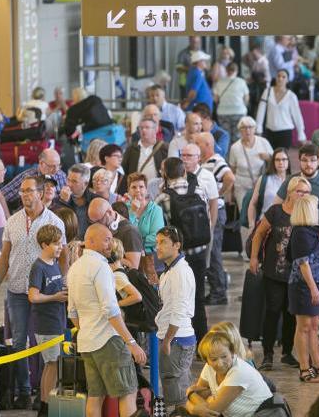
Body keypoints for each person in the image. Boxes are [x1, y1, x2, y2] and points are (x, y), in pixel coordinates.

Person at [0, 175, 66, 409]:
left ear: (41, 192)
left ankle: (44, 393)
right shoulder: (12, 221)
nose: (26, 195)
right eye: (22, 192)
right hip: (17, 289)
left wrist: (62, 283)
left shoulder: (55, 221)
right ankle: (24, 391)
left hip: (46, 292)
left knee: (45, 342)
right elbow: (4, 255)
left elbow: (63, 255)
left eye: (30, 191)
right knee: (18, 341)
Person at [67, 223, 147, 417]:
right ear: (90, 241)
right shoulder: (101, 267)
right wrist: (132, 343)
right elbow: (111, 310)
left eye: (111, 238)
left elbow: (72, 312)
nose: (110, 243)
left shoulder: (75, 268)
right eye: (106, 239)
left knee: (95, 396)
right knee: (127, 392)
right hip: (108, 340)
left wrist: (87, 329)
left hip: (87, 343)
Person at [250, 176, 311, 370]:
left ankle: (287, 352)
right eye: (299, 191)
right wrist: (254, 257)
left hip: (297, 274)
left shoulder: (308, 214)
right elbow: (259, 234)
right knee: (272, 311)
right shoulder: (275, 212)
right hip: (273, 272)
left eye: (306, 192)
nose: (303, 195)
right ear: (290, 193)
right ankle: (268, 353)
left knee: (291, 313)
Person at [155, 157, 212, 341]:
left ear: (165, 174)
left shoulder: (163, 197)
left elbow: (162, 229)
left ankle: (180, 336)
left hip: (178, 257)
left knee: (177, 298)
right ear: (184, 172)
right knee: (199, 297)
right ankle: (202, 341)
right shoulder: (199, 190)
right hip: (200, 251)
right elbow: (208, 219)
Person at [288, 195, 319, 382]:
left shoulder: (313, 231)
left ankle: (318, 364)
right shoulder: (300, 233)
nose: (318, 210)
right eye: (315, 207)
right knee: (304, 326)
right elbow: (303, 264)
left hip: (317, 284)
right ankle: (304, 368)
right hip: (303, 286)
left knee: (314, 326)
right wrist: (314, 288)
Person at [182, 329, 273, 417]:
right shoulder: (209, 367)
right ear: (207, 360)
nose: (220, 363)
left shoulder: (239, 372)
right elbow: (201, 397)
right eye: (214, 359)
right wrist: (194, 406)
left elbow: (211, 412)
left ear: (232, 352)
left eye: (224, 356)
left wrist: (190, 394)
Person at [154, 226, 197, 411]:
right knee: (176, 393)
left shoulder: (180, 272)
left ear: (177, 245)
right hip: (172, 337)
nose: (158, 247)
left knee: (180, 397)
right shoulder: (170, 271)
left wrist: (168, 340)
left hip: (177, 339)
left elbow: (179, 310)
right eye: (157, 243)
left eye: (163, 242)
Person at [28, 224, 67, 417]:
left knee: (51, 365)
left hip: (57, 320)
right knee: (52, 364)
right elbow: (33, 296)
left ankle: (45, 404)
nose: (60, 247)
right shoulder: (39, 267)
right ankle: (46, 406)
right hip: (46, 323)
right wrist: (55, 297)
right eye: (56, 244)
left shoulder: (54, 264)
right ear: (44, 245)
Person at [195, 132, 234, 305]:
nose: (196, 145)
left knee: (213, 252)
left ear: (207, 145)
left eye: (198, 143)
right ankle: (217, 288)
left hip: (215, 213)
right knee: (210, 252)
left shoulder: (216, 160)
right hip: (207, 213)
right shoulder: (203, 163)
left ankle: (219, 291)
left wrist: (218, 195)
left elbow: (229, 177)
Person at [274, 143, 319, 235]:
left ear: (318, 161)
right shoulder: (291, 180)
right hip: (297, 234)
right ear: (299, 161)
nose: (308, 164)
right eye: (304, 160)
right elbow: (276, 207)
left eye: (312, 160)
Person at [228, 116, 272, 217]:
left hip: (261, 184)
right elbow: (232, 171)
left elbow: (277, 159)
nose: (247, 130)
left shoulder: (263, 142)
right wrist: (230, 192)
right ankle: (246, 233)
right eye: (244, 128)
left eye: (250, 127)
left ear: (255, 128)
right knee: (245, 213)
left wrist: (268, 157)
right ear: (240, 130)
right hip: (241, 185)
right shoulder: (235, 148)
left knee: (262, 212)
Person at [0, 148, 67, 214]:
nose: (56, 170)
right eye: (52, 166)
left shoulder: (61, 175)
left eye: (58, 165)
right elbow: (1, 195)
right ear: (41, 163)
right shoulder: (27, 177)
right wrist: (8, 219)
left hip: (54, 217)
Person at [125, 172, 164, 280]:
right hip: (128, 259)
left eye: (141, 187)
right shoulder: (124, 208)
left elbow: (156, 237)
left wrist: (134, 244)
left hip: (151, 260)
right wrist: (132, 212)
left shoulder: (156, 210)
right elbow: (124, 233)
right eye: (133, 187)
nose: (138, 190)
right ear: (128, 190)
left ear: (146, 189)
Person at [88, 197, 145, 269]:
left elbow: (133, 266)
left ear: (109, 212)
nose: (96, 225)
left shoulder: (130, 231)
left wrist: (104, 255)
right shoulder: (103, 227)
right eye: (93, 222)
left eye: (99, 221)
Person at [255, 69, 306, 149]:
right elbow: (261, 111)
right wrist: (258, 128)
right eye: (278, 76)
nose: (280, 78)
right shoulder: (267, 92)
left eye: (283, 77)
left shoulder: (291, 96)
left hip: (286, 131)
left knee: (282, 158)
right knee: (270, 158)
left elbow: (297, 116)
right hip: (270, 131)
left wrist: (301, 134)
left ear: (287, 80)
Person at [248, 149, 289, 230]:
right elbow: (252, 203)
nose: (281, 162)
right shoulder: (264, 179)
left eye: (284, 159)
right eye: (277, 160)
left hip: (287, 227)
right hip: (264, 224)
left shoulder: (293, 181)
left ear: (288, 161)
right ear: (273, 162)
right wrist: (251, 224)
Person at [54, 163, 98, 240]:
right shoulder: (58, 200)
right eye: (68, 180)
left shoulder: (95, 200)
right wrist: (63, 202)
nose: (69, 184)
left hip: (90, 243)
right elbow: (57, 223)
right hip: (66, 243)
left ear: (85, 184)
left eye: (74, 181)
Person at [122, 117, 168, 185]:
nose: (143, 130)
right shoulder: (131, 148)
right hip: (137, 190)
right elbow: (124, 170)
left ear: (155, 129)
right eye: (141, 128)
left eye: (147, 127)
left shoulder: (163, 147)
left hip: (158, 189)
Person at [214, 62, 250, 141]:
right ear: (236, 71)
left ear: (226, 71)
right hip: (239, 112)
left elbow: (216, 99)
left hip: (223, 113)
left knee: (226, 137)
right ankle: (236, 152)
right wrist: (243, 106)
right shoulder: (241, 82)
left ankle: (227, 152)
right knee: (238, 137)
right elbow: (246, 98)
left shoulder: (219, 82)